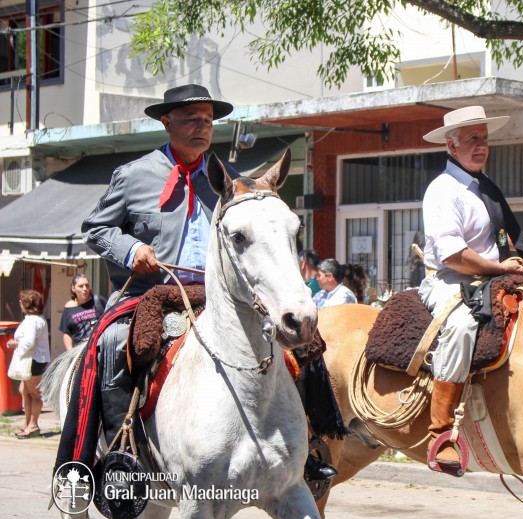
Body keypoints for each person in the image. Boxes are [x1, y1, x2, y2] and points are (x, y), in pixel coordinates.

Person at [57, 85, 338, 483]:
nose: (202, 127)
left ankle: (306, 446)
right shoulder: (134, 175)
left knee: (304, 345)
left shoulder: (232, 183)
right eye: (191, 119)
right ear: (166, 122)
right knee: (111, 343)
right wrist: (131, 247)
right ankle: (114, 454)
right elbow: (96, 228)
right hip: (152, 292)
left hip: (217, 296)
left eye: (207, 120)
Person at [419, 106, 523, 468]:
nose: (481, 146)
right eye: (472, 140)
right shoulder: (442, 191)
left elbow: (494, 240)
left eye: (484, 139)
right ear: (452, 145)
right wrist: (500, 266)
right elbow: (453, 256)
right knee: (463, 326)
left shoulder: (484, 187)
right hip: (451, 281)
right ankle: (440, 433)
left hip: (492, 277)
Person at [8, 290, 50, 438]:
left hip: (34, 360)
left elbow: (29, 342)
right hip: (33, 359)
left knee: (33, 393)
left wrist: (15, 344)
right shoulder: (36, 319)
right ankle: (28, 424)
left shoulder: (33, 321)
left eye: (21, 302)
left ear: (27, 304)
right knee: (24, 391)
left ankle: (33, 425)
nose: (19, 304)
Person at [58, 273, 106, 350]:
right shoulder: (69, 307)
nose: (85, 289)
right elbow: (67, 333)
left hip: (98, 348)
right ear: (73, 288)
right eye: (81, 286)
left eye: (87, 285)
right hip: (78, 351)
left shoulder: (98, 301)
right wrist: (70, 352)